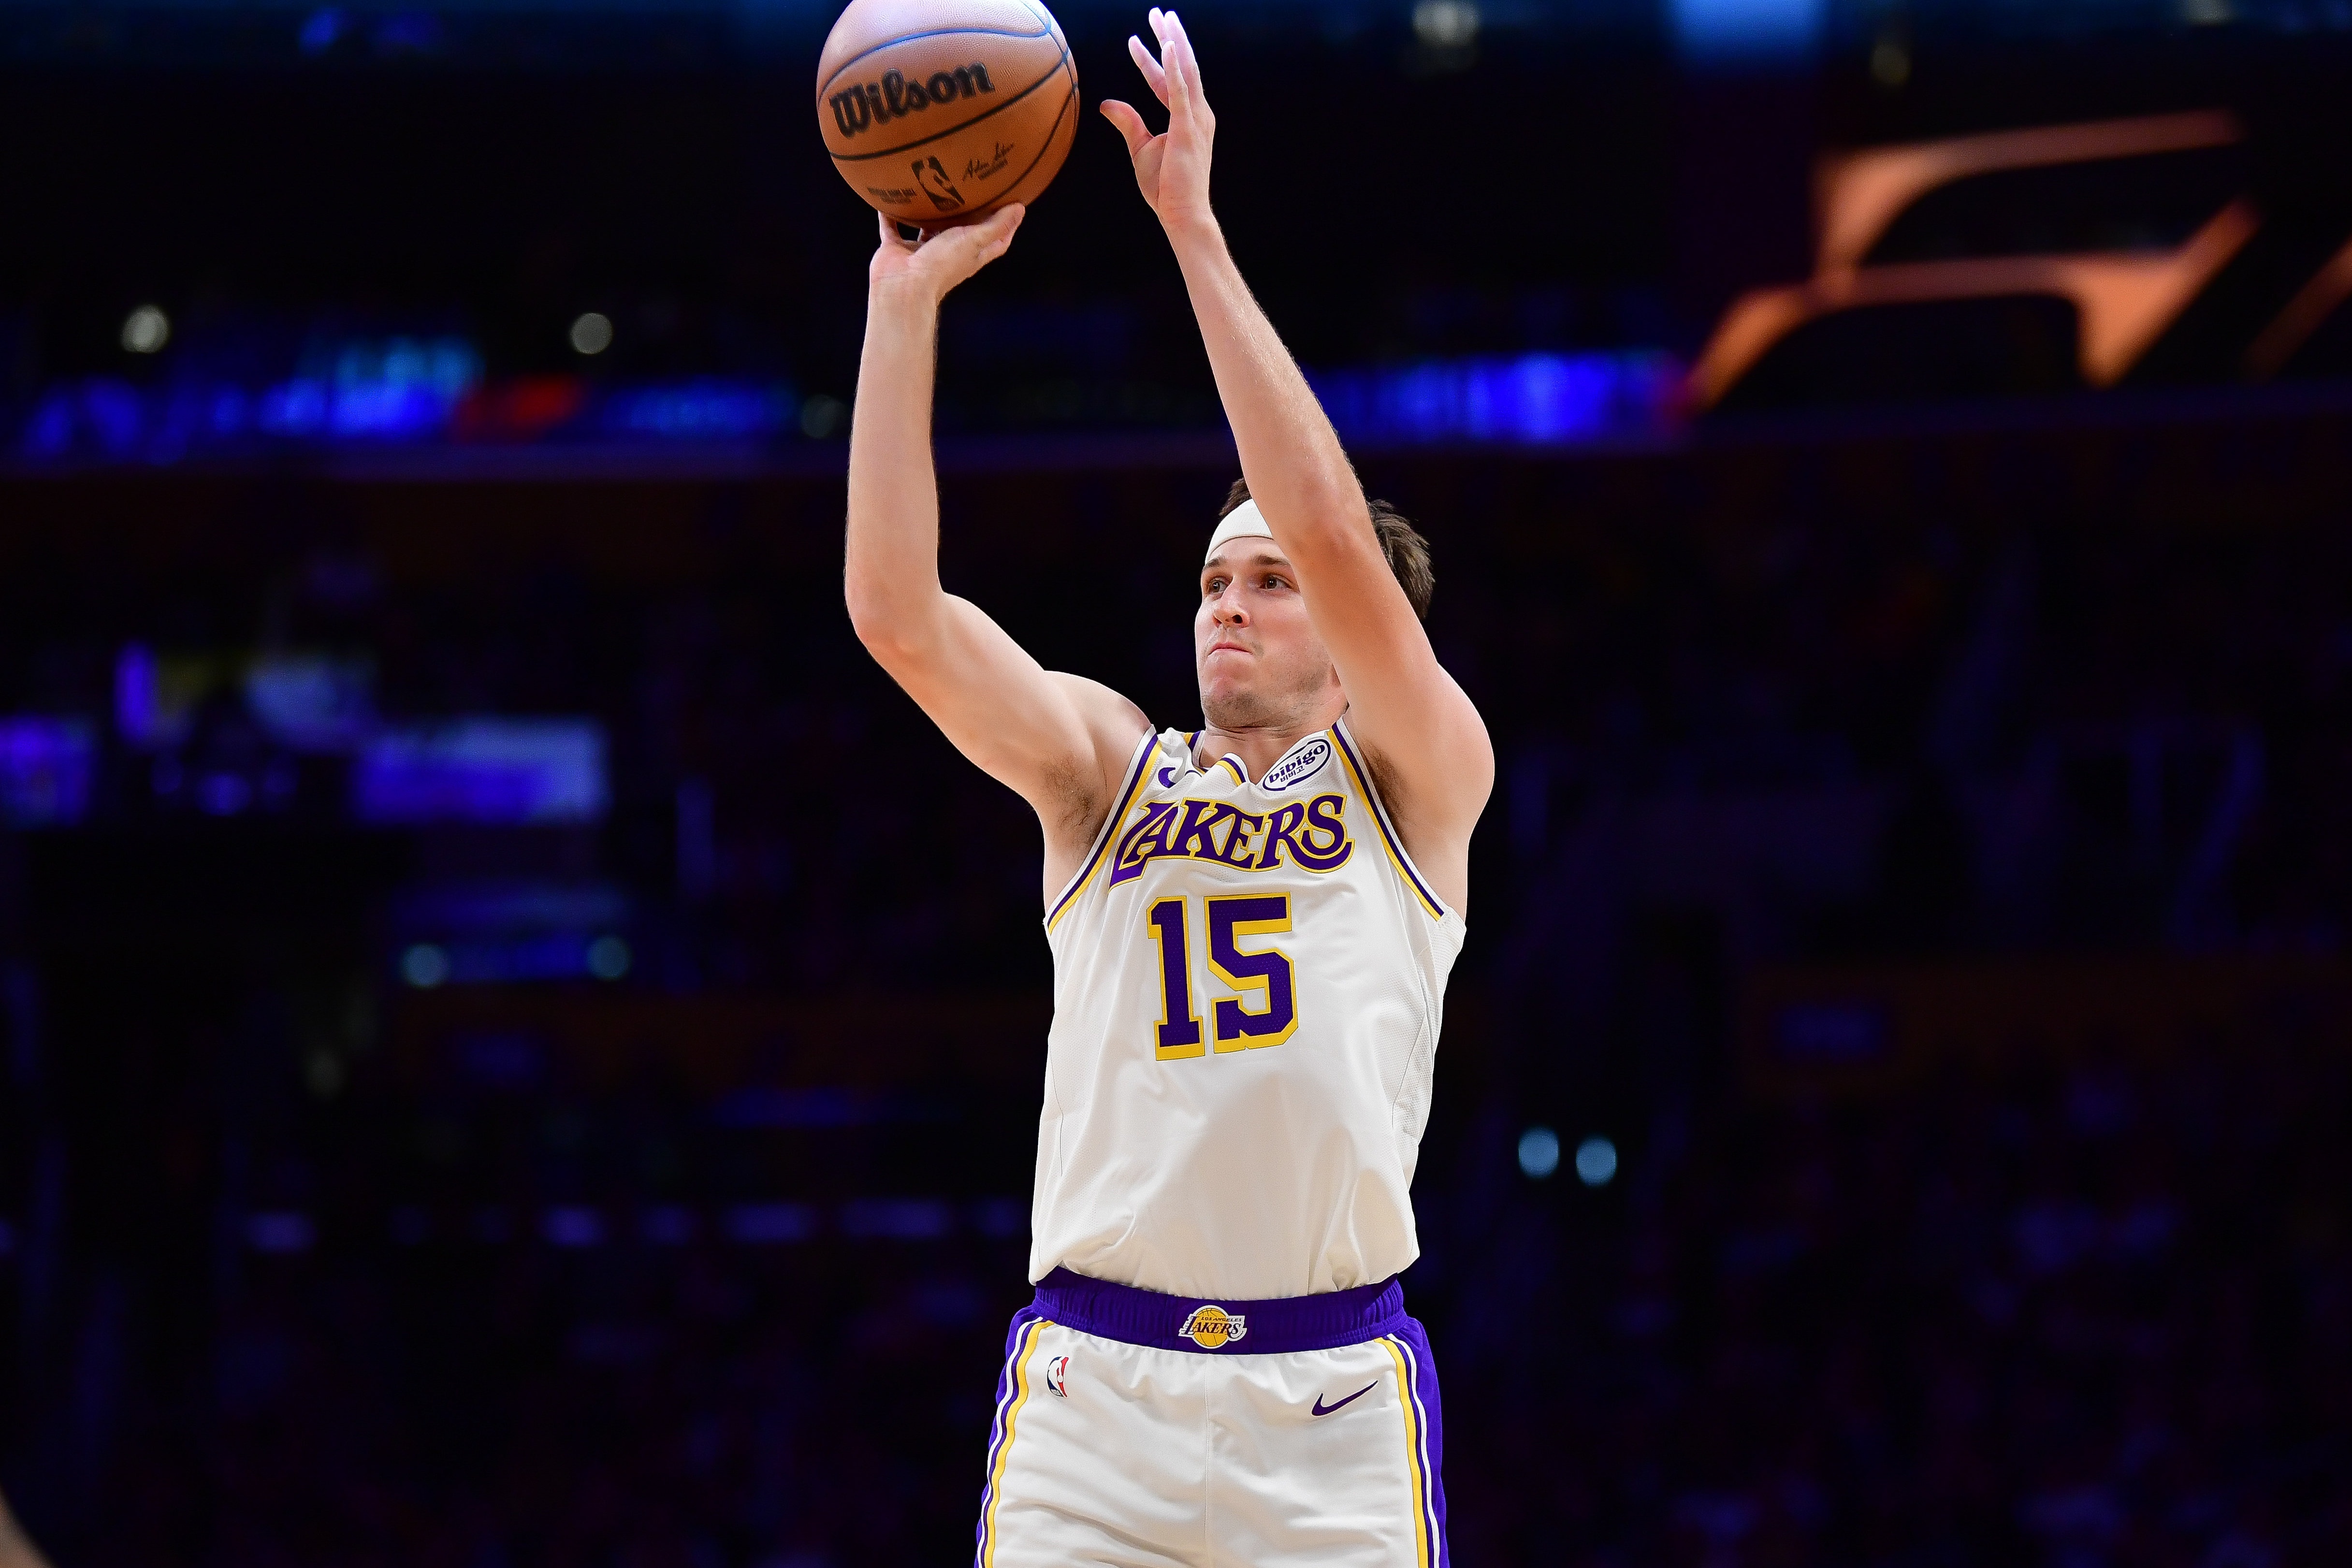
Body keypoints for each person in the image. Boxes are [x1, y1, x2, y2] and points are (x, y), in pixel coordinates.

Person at [842, 9, 1491, 1564]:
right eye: (1211, 581)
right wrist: (900, 311)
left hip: (1328, 1407)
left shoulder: (1419, 777)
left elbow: (1328, 525)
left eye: (1267, 583)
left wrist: (1192, 230)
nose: (1228, 605)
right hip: (1095, 1402)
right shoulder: (1105, 773)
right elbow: (896, 615)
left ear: (1352, 648)